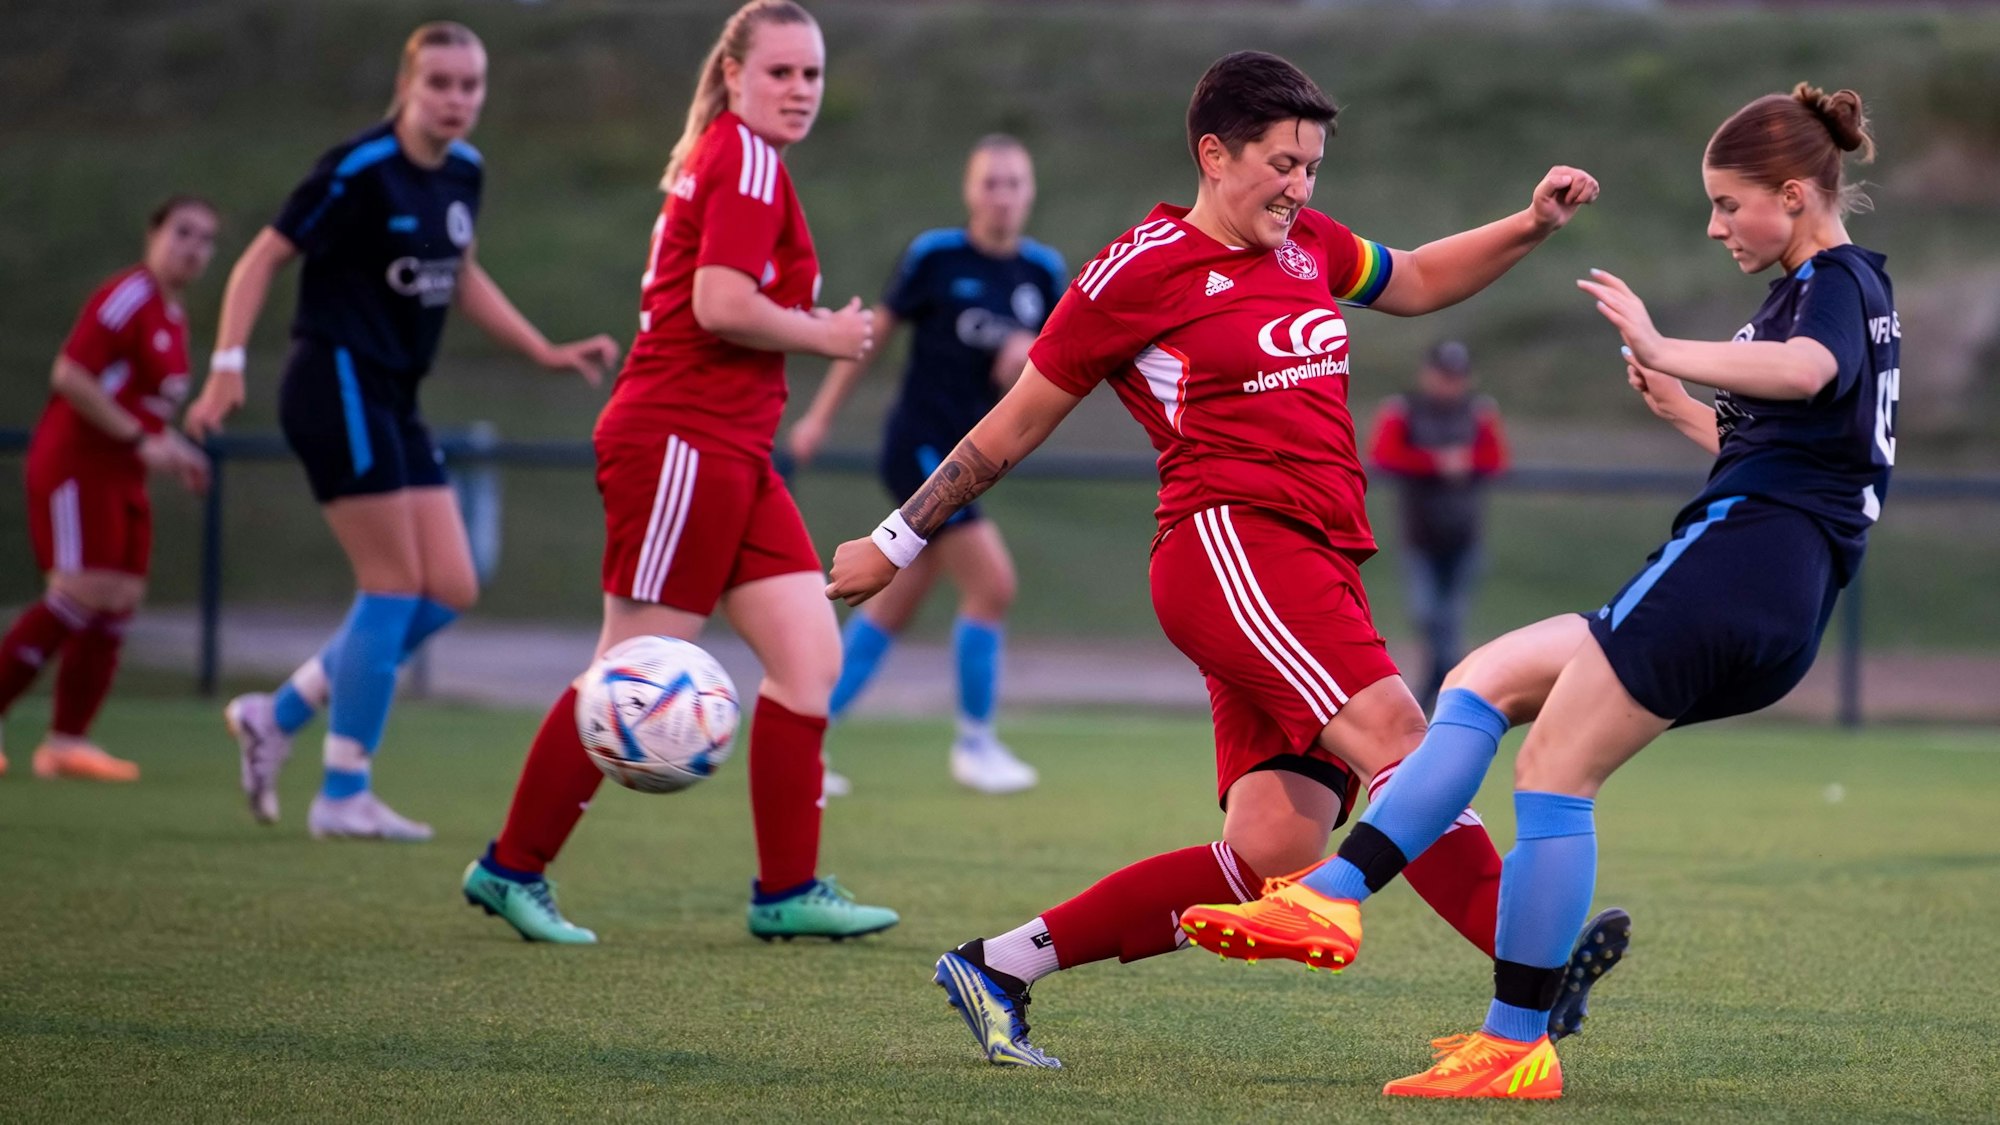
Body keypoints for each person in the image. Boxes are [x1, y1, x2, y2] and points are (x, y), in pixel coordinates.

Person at [826, 51, 1607, 1067]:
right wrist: (894, 540)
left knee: (1275, 849)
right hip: (1229, 546)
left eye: (1313, 166)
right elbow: (1007, 428)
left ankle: (1001, 964)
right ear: (1212, 152)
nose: (1299, 186)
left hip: (1309, 560)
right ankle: (1530, 973)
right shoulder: (1135, 270)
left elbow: (1411, 279)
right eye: (1281, 162)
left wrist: (1529, 224)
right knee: (1401, 740)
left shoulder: (1304, 245)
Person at [1185, 83, 1893, 1101]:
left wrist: (1661, 348)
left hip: (1736, 566)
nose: (1712, 225)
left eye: (1726, 204)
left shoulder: (1827, 284)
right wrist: (1689, 412)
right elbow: (1801, 450)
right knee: (1481, 681)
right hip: (1774, 585)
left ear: (1790, 194)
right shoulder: (1846, 291)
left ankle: (1505, 1035)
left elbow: (1802, 367)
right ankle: (1337, 898)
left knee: (1552, 779)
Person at [458, 0, 898, 946]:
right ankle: (511, 866)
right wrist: (824, 331)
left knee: (811, 659)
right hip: (679, 443)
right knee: (621, 672)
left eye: (812, 75)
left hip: (732, 446)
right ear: (734, 75)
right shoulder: (738, 152)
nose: (799, 90)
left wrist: (807, 323)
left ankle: (787, 890)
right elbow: (718, 303)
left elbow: (732, 299)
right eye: (780, 71)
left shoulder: (748, 158)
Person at [184, 22, 620, 840]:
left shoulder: (465, 172)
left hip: (394, 394)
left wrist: (545, 351)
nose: (457, 100)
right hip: (334, 381)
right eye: (441, 84)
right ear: (408, 86)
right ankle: (344, 790)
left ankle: (276, 713)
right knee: (391, 586)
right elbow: (258, 261)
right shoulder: (359, 169)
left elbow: (465, 273)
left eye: (470, 86)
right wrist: (228, 361)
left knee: (449, 585)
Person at [788, 134, 1066, 796]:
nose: (1002, 195)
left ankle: (804, 741)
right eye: (990, 183)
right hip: (919, 449)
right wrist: (820, 417)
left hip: (975, 456)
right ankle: (975, 745)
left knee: (894, 602)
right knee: (993, 583)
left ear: (1030, 193)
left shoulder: (1042, 273)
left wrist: (1024, 363)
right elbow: (871, 340)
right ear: (970, 191)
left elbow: (1056, 369)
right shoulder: (936, 257)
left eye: (1015, 183)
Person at [0, 197, 219, 781]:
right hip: (77, 463)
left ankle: (67, 742)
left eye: (205, 239)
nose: (193, 247)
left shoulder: (173, 318)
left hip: (122, 471)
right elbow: (70, 375)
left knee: (118, 599)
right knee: (79, 589)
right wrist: (136, 438)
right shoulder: (130, 296)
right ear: (154, 234)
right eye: (183, 233)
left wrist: (172, 449)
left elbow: (139, 407)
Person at [1366, 340, 1510, 705]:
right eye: (1443, 376)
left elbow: (1495, 459)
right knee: (1427, 613)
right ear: (1427, 374)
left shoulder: (1478, 411)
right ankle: (1451, 685)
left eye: (1456, 377)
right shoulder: (1404, 409)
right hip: (1419, 534)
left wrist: (1465, 461)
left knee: (1452, 616)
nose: (1449, 384)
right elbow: (1383, 455)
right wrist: (1436, 463)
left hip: (1464, 533)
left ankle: (1443, 685)